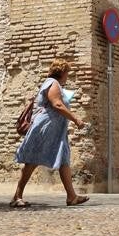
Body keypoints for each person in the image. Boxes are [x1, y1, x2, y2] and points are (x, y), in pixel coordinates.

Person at [10, 58, 89, 207]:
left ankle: (71, 197)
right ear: (63, 72)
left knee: (64, 159)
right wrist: (76, 119)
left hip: (56, 131)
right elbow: (57, 104)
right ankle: (17, 196)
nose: (68, 76)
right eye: (67, 73)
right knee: (32, 161)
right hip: (45, 129)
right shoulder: (53, 84)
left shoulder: (55, 84)